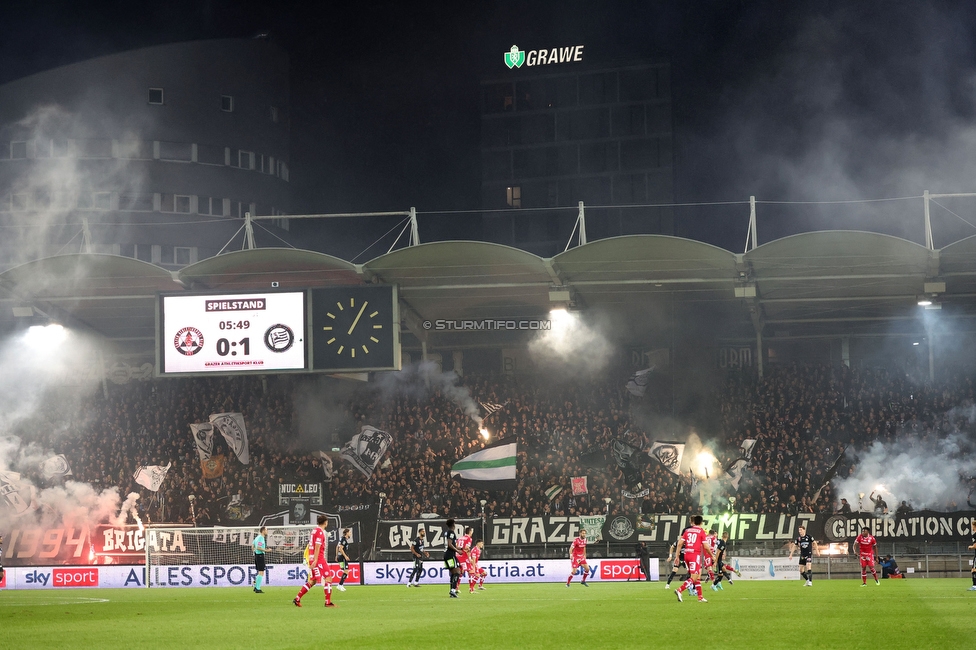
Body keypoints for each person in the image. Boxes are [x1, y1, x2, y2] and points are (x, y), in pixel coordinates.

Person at [293, 514, 337, 607]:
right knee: (328, 578)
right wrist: (316, 560)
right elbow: (317, 546)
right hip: (319, 559)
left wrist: (312, 559)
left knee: (312, 581)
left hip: (312, 558)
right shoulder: (320, 532)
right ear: (325, 522)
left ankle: (297, 598)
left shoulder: (314, 530)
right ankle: (328, 602)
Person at [674, 514, 715, 603]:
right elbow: (706, 547)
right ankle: (680, 590)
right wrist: (712, 556)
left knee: (698, 575)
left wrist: (677, 556)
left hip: (686, 555)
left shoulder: (687, 531)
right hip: (694, 555)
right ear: (701, 522)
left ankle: (700, 597)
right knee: (694, 576)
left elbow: (680, 544)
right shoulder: (701, 531)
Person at [443, 518, 463, 598]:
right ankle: (453, 590)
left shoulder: (446, 532)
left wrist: (460, 548)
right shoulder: (451, 532)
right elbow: (449, 544)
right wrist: (457, 551)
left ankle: (452, 591)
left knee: (453, 573)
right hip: (450, 555)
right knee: (457, 572)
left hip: (446, 555)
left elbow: (451, 545)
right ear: (453, 525)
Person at [252, 526, 267, 593]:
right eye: (266, 530)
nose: (267, 531)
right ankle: (257, 588)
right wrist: (266, 550)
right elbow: (258, 547)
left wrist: (254, 552)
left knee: (259, 572)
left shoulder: (257, 537)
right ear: (263, 531)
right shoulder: (261, 537)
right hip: (260, 555)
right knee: (261, 572)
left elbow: (252, 546)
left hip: (256, 555)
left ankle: (255, 587)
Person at [968, 519, 976, 592]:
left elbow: (975, 546)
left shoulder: (975, 535)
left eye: (972, 526)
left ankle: (975, 586)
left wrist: (971, 547)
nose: (972, 528)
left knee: (974, 570)